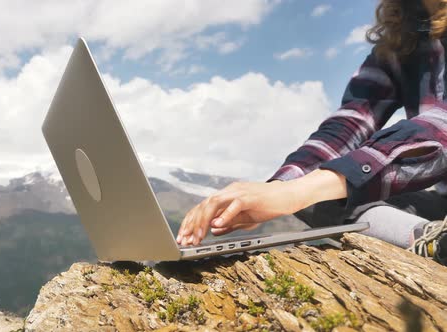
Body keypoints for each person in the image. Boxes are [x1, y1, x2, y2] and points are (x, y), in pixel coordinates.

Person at [176, 0, 447, 265]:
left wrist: (301, 190)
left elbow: (441, 126)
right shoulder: (401, 41)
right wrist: (280, 189)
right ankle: (433, 242)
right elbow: (350, 123)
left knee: (311, 189)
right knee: (314, 194)